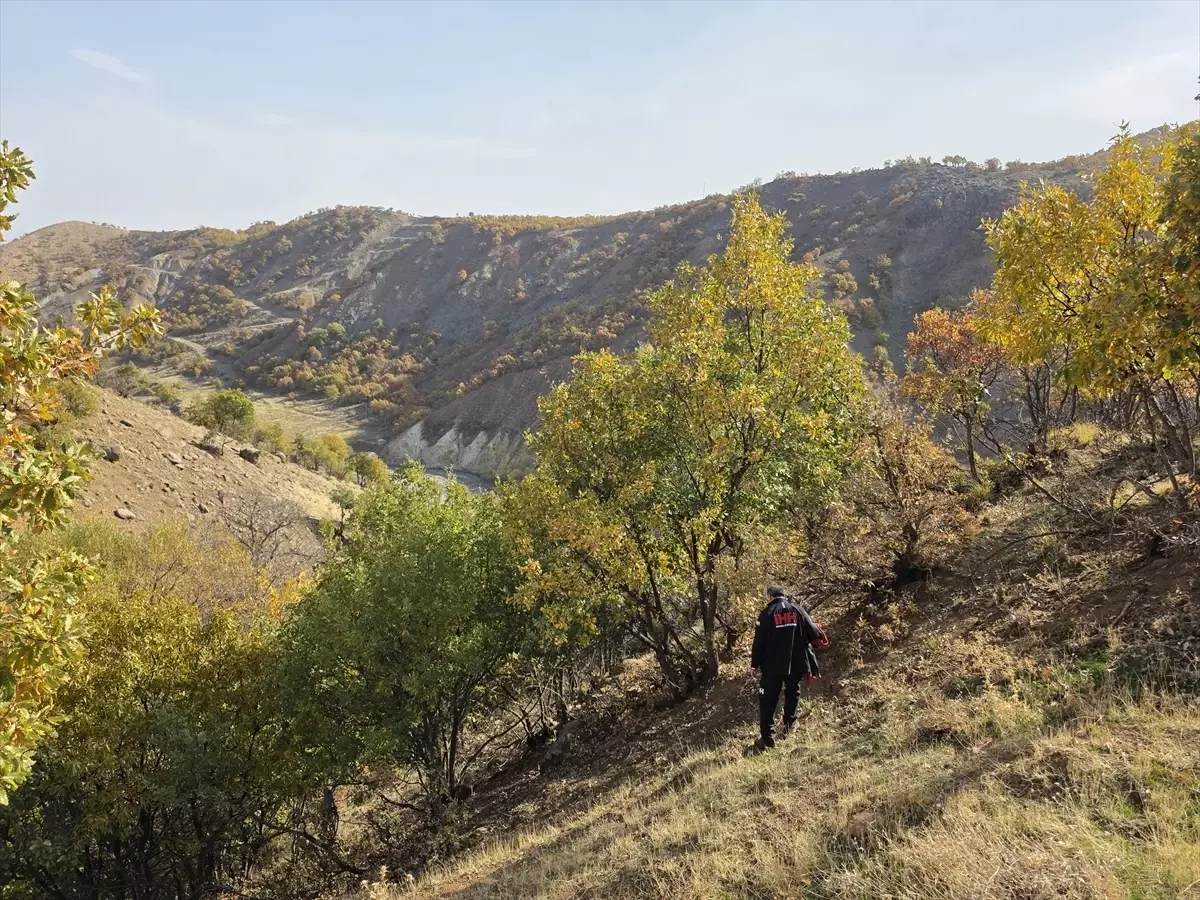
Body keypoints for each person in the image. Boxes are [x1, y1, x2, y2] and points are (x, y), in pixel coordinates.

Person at [750, 585, 828, 750]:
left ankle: (767, 740)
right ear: (785, 596)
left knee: (768, 700)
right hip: (796, 663)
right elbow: (814, 632)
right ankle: (789, 726)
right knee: (793, 692)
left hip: (772, 666)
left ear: (770, 597)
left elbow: (759, 642)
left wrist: (754, 664)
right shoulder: (798, 610)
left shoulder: (766, 614)